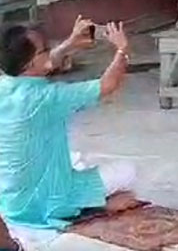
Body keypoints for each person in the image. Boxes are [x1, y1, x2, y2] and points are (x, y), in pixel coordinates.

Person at [0, 21, 136, 228]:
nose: (49, 53)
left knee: (76, 159)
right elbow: (107, 85)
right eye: (44, 50)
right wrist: (121, 50)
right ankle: (94, 206)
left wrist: (71, 44)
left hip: (10, 200)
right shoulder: (46, 97)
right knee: (127, 172)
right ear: (29, 63)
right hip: (46, 200)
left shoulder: (6, 85)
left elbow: (39, 65)